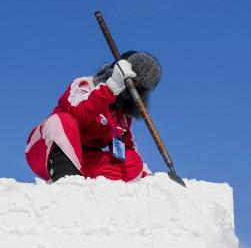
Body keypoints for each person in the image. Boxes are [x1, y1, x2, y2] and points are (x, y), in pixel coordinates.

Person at [25, 52, 160, 182]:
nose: (134, 87)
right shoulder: (86, 84)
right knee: (62, 120)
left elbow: (128, 149)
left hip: (85, 159)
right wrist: (110, 88)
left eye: (139, 87)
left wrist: (148, 177)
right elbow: (77, 112)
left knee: (133, 162)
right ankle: (66, 182)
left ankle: (80, 181)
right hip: (45, 148)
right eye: (132, 82)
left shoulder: (122, 117)